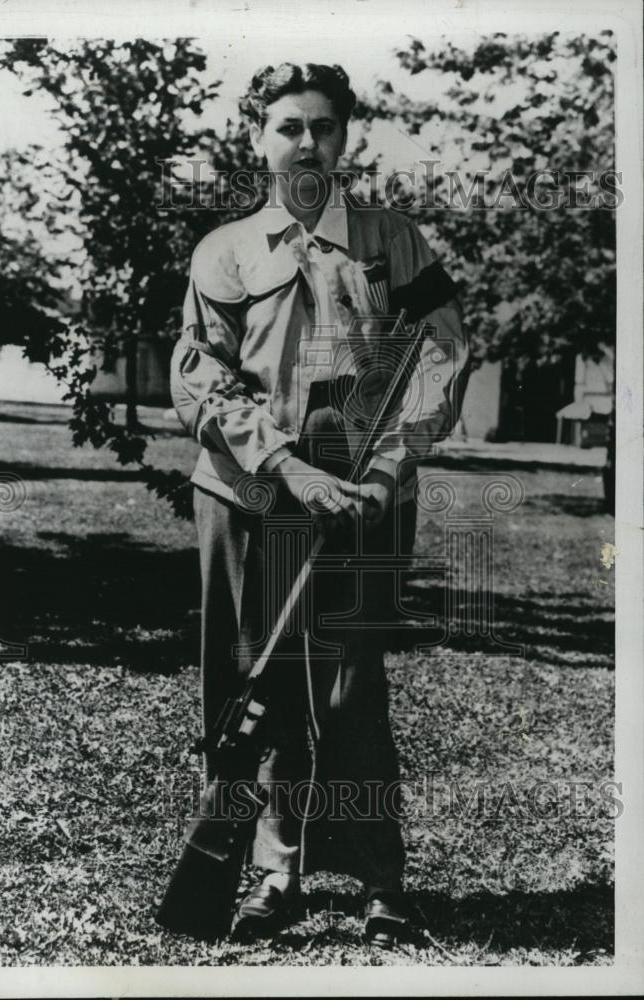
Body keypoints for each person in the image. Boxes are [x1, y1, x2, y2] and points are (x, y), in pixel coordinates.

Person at [170, 62, 470, 947]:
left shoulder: (393, 240)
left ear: (346, 137)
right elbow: (203, 380)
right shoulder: (223, 252)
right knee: (252, 686)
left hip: (364, 495)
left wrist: (383, 470)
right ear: (257, 138)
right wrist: (287, 469)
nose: (307, 142)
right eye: (289, 126)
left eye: (324, 127)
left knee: (350, 686)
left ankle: (380, 881)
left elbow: (442, 354)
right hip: (251, 491)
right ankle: (270, 872)